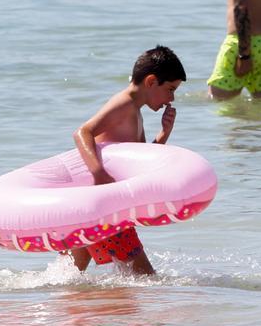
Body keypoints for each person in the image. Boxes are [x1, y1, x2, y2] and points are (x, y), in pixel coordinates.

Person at [67, 46, 185, 276]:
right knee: (145, 278)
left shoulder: (135, 112)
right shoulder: (124, 104)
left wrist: (163, 135)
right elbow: (82, 132)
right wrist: (98, 173)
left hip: (95, 207)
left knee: (69, 278)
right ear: (151, 81)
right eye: (170, 89)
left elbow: (138, 163)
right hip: (104, 207)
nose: (172, 98)